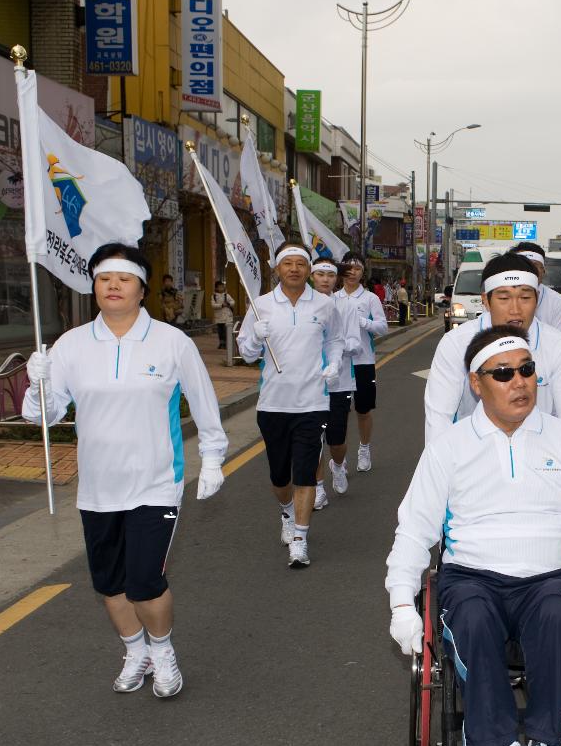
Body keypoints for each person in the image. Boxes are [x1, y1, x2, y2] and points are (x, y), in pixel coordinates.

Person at [386, 325, 561, 746]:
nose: (519, 382)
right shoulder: (449, 447)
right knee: (472, 621)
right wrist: (400, 602)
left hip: (549, 578)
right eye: (503, 373)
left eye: (527, 370)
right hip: (472, 577)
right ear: (476, 384)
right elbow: (415, 529)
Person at [21, 243, 227, 698]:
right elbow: (45, 416)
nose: (113, 286)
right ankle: (136, 652)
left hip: (156, 483)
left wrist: (212, 456)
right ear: (94, 285)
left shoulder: (172, 342)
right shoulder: (72, 344)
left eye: (124, 278)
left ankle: (163, 650)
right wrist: (36, 384)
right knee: (111, 583)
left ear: (142, 288)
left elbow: (205, 402)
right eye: (103, 278)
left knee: (145, 582)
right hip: (97, 487)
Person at [237, 244, 345, 568]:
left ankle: (300, 538)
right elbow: (245, 352)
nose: (295, 269)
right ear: (277, 269)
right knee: (279, 476)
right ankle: (286, 512)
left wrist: (335, 363)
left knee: (305, 474)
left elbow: (335, 339)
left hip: (313, 402)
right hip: (273, 403)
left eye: (301, 263)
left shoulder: (324, 305)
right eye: (288, 264)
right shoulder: (261, 306)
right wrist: (256, 337)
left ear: (308, 269)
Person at [424, 252, 561, 444]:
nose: (515, 309)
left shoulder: (559, 346)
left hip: (540, 457)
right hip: (472, 457)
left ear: (537, 298)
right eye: (504, 298)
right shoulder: (456, 343)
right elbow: (438, 418)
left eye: (525, 297)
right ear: (485, 300)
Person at [330, 251, 388, 479]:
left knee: (363, 410)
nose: (352, 272)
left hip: (363, 361)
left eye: (357, 268)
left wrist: (363, 322)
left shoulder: (370, 299)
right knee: (340, 412)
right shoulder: (333, 298)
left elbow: (383, 327)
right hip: (340, 363)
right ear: (341, 270)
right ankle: (339, 459)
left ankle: (364, 448)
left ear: (363, 272)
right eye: (348, 267)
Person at [311, 260, 362, 507]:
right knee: (313, 438)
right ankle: (318, 487)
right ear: (312, 277)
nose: (325, 279)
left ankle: (338, 465)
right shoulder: (304, 305)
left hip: (339, 383)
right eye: (319, 274)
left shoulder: (347, 306)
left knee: (336, 440)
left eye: (330, 275)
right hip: (309, 384)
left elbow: (355, 342)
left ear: (337, 279)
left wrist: (338, 348)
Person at [509, 241, 561, 333]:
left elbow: (559, 340)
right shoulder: (497, 297)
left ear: (543, 270)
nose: (528, 270)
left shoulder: (557, 302)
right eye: (522, 265)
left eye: (534, 265)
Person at [211, 280, 236, 350]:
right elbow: (213, 305)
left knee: (226, 331)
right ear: (216, 288)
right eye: (220, 287)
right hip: (218, 317)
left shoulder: (227, 295)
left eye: (222, 287)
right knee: (220, 331)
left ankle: (225, 343)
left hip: (227, 316)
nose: (221, 288)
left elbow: (233, 302)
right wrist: (221, 305)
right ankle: (221, 343)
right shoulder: (214, 296)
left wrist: (228, 304)